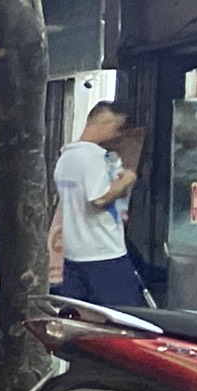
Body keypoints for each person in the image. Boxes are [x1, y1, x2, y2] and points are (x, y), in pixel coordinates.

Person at [52, 102, 147, 308]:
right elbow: (99, 199)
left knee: (79, 316)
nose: (118, 135)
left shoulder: (65, 158)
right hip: (104, 254)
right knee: (126, 317)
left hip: (74, 255)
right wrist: (127, 179)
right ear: (104, 123)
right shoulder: (93, 157)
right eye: (118, 128)